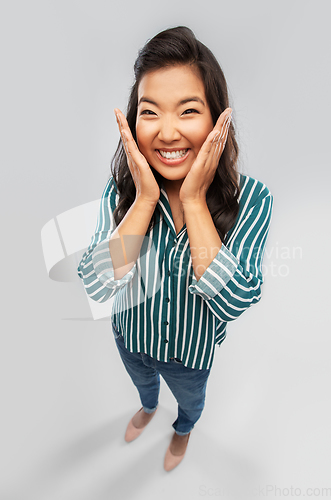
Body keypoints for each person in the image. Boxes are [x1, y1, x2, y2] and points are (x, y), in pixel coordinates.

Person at [77, 26, 273, 472]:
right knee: (143, 385)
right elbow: (98, 285)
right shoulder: (123, 191)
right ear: (134, 120)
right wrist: (145, 200)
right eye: (151, 112)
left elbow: (235, 301)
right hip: (132, 336)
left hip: (191, 355)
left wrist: (193, 202)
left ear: (216, 119)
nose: (167, 133)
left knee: (190, 402)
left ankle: (182, 430)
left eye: (188, 111)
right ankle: (148, 408)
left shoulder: (254, 199)